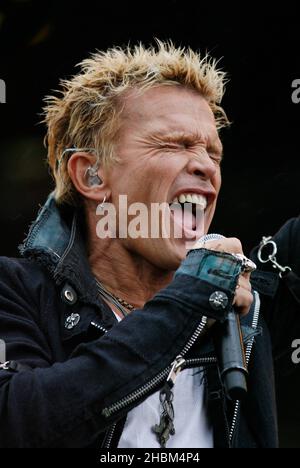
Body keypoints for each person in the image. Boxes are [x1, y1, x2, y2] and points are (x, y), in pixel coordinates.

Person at [0, 41, 276, 449]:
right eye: (173, 144)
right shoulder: (15, 290)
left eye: (213, 153)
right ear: (91, 176)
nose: (205, 166)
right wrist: (188, 303)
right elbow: (17, 420)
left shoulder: (241, 306)